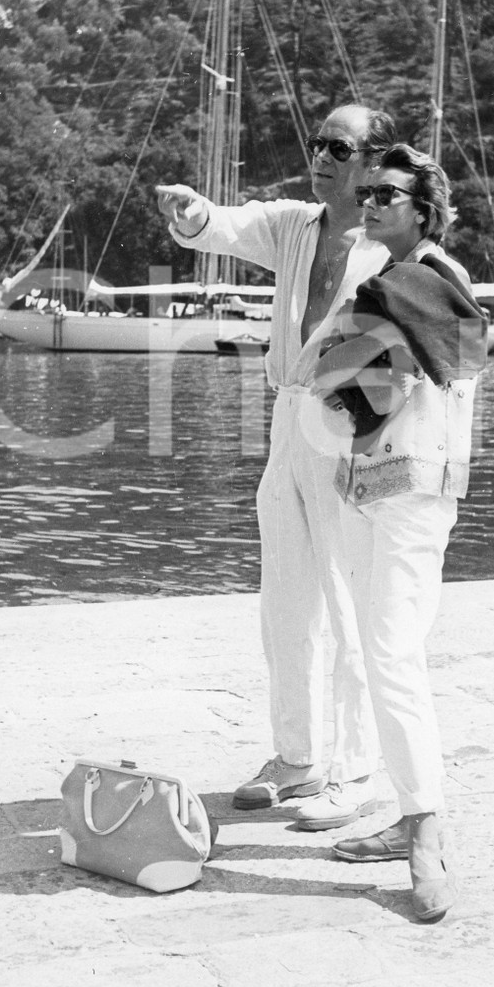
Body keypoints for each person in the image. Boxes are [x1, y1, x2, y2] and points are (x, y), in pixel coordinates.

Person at [154, 104, 395, 829]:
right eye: (316, 142)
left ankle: (359, 771)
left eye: (338, 146)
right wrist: (193, 211)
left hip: (355, 424)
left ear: (373, 162)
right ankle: (298, 757)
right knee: (286, 597)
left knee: (352, 601)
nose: (318, 154)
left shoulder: (394, 247)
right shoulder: (295, 225)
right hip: (289, 417)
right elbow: (225, 225)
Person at [309, 144, 488, 921]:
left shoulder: (431, 280)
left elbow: (429, 358)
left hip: (414, 489)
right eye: (368, 190)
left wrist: (359, 342)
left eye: (389, 193)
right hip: (368, 482)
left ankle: (424, 833)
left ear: (423, 210)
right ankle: (410, 816)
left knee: (390, 652)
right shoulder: (386, 283)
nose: (371, 199)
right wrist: (358, 345)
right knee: (378, 654)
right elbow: (323, 367)